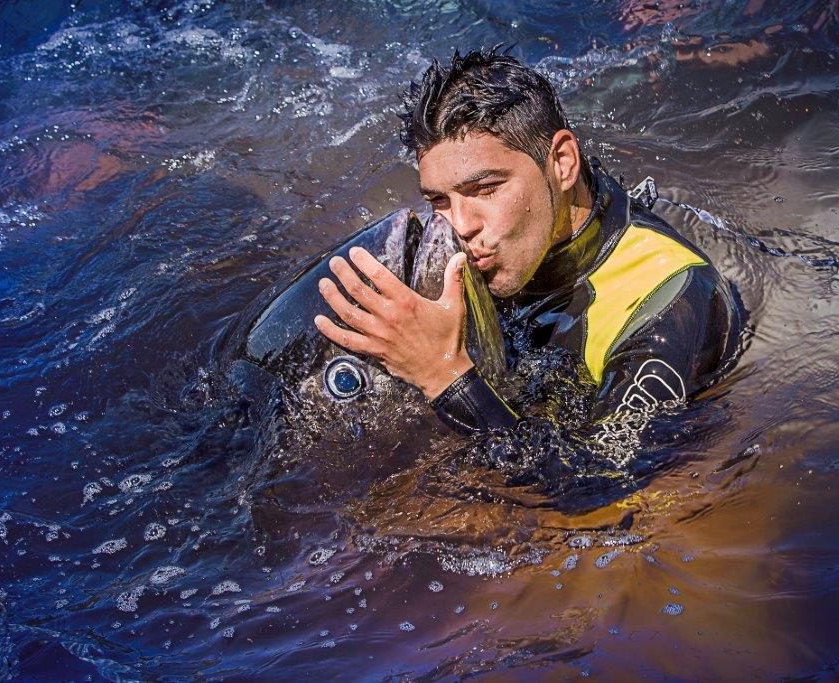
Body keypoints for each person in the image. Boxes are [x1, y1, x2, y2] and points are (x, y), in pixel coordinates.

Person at [313, 47, 741, 441]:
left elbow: (598, 494)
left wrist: (443, 374)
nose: (459, 225)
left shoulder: (669, 301)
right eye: (439, 199)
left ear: (562, 163)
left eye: (485, 189)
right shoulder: (485, 248)